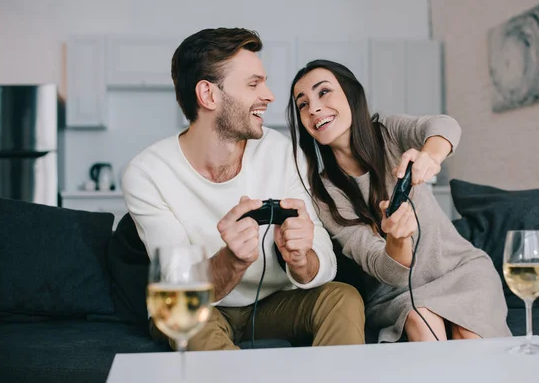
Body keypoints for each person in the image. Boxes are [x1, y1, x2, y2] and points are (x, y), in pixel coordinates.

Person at [122, 30, 365, 351]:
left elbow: (322, 257)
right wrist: (232, 259)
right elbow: (178, 284)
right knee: (187, 321)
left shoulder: (282, 152)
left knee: (342, 299)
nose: (269, 95)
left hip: (276, 304)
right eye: (253, 84)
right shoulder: (147, 173)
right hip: (202, 308)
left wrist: (300, 258)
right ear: (209, 95)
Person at [286, 59, 511, 343]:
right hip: (398, 293)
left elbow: (444, 125)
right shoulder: (324, 193)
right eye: (302, 104)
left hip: (461, 270)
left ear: (351, 95)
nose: (314, 108)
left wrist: (430, 156)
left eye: (324, 92)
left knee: (468, 335)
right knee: (420, 319)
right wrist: (398, 240)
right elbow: (386, 271)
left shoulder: (389, 132)